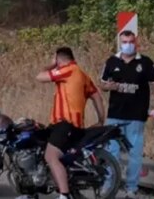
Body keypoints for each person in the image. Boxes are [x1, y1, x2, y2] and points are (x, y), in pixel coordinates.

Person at [100, 30, 154, 199]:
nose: (128, 45)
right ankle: (109, 184)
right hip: (115, 114)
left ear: (136, 42)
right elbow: (102, 83)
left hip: (136, 115)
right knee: (111, 152)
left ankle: (131, 188)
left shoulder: (145, 62)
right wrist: (109, 86)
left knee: (135, 154)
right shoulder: (111, 61)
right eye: (125, 42)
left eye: (131, 41)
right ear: (120, 43)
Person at [36, 46, 106, 199]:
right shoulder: (82, 75)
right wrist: (101, 119)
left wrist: (51, 65)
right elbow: (97, 97)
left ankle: (64, 195)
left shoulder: (68, 70)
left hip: (65, 124)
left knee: (51, 156)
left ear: (58, 58)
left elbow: (40, 77)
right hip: (73, 126)